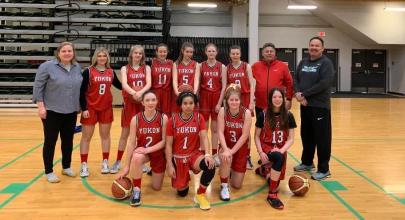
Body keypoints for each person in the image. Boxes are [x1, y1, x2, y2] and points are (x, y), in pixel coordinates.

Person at [33, 42, 82, 183]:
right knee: (50, 141)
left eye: (70, 51)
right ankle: (49, 171)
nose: (67, 53)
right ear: (58, 53)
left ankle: (66, 167)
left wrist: (78, 105)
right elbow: (38, 87)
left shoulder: (76, 67)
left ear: (73, 52)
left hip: (71, 111)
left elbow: (77, 88)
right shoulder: (47, 66)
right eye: (64, 51)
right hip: (52, 110)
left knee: (68, 141)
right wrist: (41, 107)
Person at [165, 92, 216, 210]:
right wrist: (169, 164)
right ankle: (185, 178)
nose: (188, 106)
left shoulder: (199, 117)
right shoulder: (172, 120)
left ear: (195, 104)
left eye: (191, 103)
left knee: (210, 165)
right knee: (182, 193)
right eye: (185, 103)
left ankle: (200, 194)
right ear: (180, 105)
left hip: (194, 155)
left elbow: (204, 137)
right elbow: (168, 145)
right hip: (178, 158)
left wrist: (208, 155)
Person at [293, 36, 334, 181]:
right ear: (308, 46)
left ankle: (324, 169)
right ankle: (307, 162)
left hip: (320, 107)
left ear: (322, 48)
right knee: (307, 135)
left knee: (322, 138)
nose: (314, 47)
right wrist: (297, 94)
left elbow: (324, 83)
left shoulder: (326, 63)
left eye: (317, 45)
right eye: (312, 45)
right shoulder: (303, 62)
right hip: (305, 106)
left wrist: (304, 94)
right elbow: (296, 79)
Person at [117, 91, 168, 207]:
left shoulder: (163, 118)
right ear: (142, 103)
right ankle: (136, 190)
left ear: (157, 102)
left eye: (153, 100)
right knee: (136, 156)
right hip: (143, 153)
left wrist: (147, 150)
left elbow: (164, 142)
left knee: (156, 187)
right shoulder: (135, 119)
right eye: (148, 100)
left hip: (158, 154)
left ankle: (153, 170)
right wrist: (126, 167)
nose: (151, 103)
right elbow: (131, 143)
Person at [79, 47, 122, 177]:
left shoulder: (111, 72)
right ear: (95, 58)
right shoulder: (88, 71)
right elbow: (81, 91)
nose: (102, 58)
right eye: (99, 56)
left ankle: (105, 162)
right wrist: (84, 108)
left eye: (104, 56)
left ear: (107, 58)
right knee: (86, 137)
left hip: (106, 108)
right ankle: (84, 164)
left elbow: (120, 86)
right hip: (90, 108)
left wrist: (137, 88)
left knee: (105, 136)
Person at [111, 45, 152, 174]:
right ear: (131, 54)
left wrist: (140, 94)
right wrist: (135, 93)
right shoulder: (124, 68)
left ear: (142, 56)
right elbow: (124, 84)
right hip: (129, 103)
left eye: (140, 53)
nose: (138, 55)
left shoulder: (146, 68)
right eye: (136, 53)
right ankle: (118, 161)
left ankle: (140, 161)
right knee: (125, 134)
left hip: (142, 104)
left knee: (141, 134)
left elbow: (149, 83)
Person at [254, 88, 296, 209]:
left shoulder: (288, 115)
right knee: (278, 159)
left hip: (280, 150)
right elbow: (256, 136)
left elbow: (291, 139)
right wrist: (260, 152)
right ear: (270, 99)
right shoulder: (263, 114)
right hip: (266, 147)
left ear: (283, 99)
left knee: (275, 181)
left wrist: (281, 150)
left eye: (279, 97)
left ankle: (264, 170)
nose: (277, 99)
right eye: (274, 97)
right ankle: (272, 195)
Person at [217, 84, 252, 201]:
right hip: (226, 145)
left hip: (240, 148)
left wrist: (232, 151)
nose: (234, 102)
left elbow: (245, 136)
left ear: (240, 100)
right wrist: (227, 150)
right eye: (231, 100)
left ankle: (227, 169)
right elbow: (220, 132)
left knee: (237, 185)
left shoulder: (246, 113)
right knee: (226, 157)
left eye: (236, 100)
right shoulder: (223, 111)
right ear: (226, 101)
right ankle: (224, 186)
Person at [226, 45, 255, 169]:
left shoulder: (246, 66)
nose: (235, 55)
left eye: (237, 53)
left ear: (240, 54)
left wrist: (252, 101)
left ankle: (247, 156)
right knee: (233, 127)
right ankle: (233, 153)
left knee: (246, 130)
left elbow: (252, 84)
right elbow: (225, 87)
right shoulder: (227, 68)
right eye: (233, 53)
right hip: (232, 100)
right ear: (230, 55)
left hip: (245, 98)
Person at [199, 43, 227, 166]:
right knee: (203, 129)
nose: (211, 53)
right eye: (209, 51)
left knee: (215, 129)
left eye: (213, 51)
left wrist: (219, 103)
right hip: (204, 97)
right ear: (206, 52)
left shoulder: (222, 67)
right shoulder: (200, 66)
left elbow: (224, 86)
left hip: (216, 97)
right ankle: (204, 153)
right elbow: (198, 84)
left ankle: (215, 154)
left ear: (217, 52)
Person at [252, 42, 293, 116]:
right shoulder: (256, 66)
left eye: (271, 51)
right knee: (261, 126)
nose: (269, 53)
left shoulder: (282, 66)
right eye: (266, 51)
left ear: (275, 53)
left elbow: (289, 83)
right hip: (260, 104)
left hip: (277, 105)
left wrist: (289, 99)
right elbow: (247, 81)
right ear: (262, 53)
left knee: (277, 127)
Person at [172, 42, 200, 113]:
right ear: (182, 51)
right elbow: (174, 80)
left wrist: (194, 91)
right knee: (176, 114)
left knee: (190, 114)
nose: (189, 54)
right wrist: (176, 91)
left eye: (191, 52)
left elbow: (196, 80)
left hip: (190, 93)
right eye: (187, 52)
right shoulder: (176, 64)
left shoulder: (196, 64)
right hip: (179, 92)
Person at [151, 43, 173, 116]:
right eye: (160, 52)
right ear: (156, 52)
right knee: (155, 114)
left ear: (167, 52)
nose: (162, 53)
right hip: (155, 92)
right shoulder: (152, 62)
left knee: (166, 115)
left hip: (167, 92)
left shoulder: (171, 63)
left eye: (164, 51)